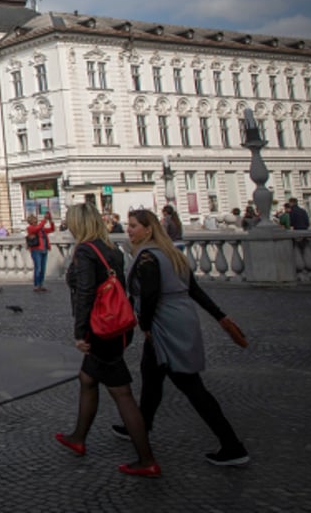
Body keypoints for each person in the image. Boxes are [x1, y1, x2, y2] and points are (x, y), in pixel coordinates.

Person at [115, 209, 250, 466]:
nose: (129, 230)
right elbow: (195, 291)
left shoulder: (147, 258)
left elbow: (151, 295)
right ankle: (140, 425)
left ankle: (232, 445)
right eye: (128, 225)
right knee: (151, 376)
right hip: (180, 319)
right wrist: (220, 317)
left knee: (191, 385)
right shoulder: (171, 254)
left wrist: (144, 325)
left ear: (148, 229)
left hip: (163, 325)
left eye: (133, 226)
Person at [56, 203, 159, 477]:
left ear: (78, 223)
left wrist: (80, 333)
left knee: (122, 393)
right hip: (116, 326)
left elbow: (86, 293)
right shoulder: (111, 249)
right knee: (87, 379)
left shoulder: (86, 251)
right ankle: (78, 437)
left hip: (100, 331)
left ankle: (146, 459)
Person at [26, 211, 55, 292]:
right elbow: (36, 228)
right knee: (38, 268)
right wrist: (44, 220)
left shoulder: (41, 228)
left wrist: (51, 221)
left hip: (44, 249)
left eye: (36, 220)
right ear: (31, 222)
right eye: (34, 220)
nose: (36, 221)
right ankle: (36, 285)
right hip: (36, 250)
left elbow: (51, 229)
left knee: (43, 268)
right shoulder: (30, 228)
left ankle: (41, 284)